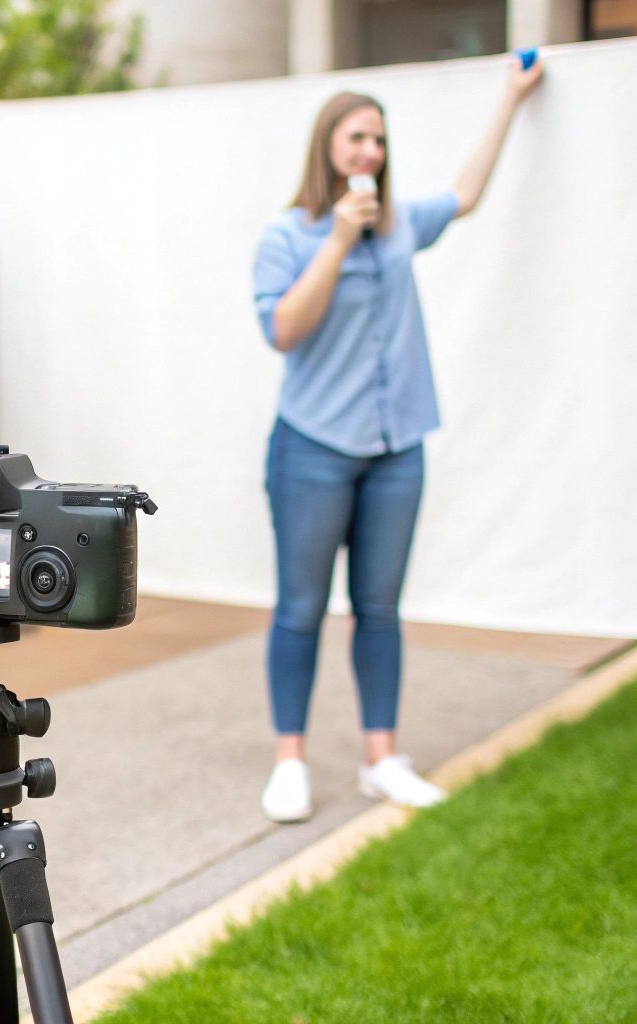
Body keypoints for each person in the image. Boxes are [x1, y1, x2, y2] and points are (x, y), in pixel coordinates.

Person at [253, 56, 545, 823]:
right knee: (300, 609)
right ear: (328, 147)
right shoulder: (291, 235)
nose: (369, 152)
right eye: (356, 138)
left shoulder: (402, 223)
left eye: (378, 140)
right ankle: (291, 763)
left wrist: (511, 99)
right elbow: (284, 329)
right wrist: (338, 242)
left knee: (379, 608)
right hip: (311, 450)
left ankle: (382, 758)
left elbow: (468, 193)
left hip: (396, 450)